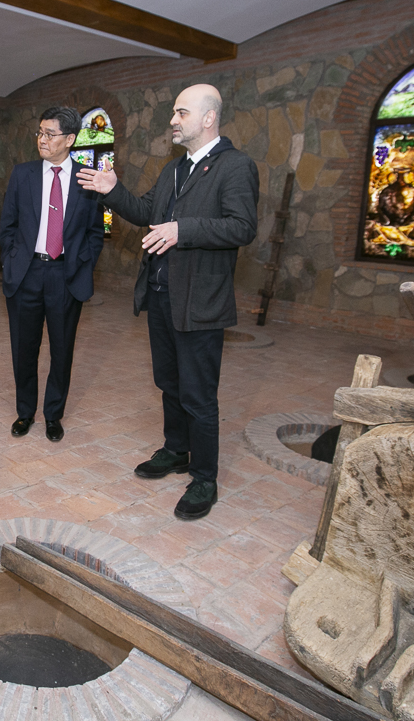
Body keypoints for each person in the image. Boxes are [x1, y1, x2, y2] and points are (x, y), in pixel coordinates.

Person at [77, 84, 257, 521]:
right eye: (174, 112)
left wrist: (183, 230)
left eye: (181, 112)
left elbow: (242, 227)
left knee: (198, 394)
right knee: (169, 383)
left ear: (209, 118)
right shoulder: (174, 169)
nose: (173, 120)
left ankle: (205, 477)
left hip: (199, 302)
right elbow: (145, 211)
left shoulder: (235, 166)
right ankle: (176, 449)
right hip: (161, 296)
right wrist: (112, 189)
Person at [0, 106, 104, 442]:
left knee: (62, 350)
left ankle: (53, 415)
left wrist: (84, 263)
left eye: (50, 134)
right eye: (40, 132)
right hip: (26, 273)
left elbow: (95, 231)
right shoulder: (23, 174)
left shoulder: (88, 177)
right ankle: (25, 412)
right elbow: (8, 225)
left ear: (70, 139)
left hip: (66, 275)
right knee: (24, 348)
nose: (42, 140)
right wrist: (11, 260)